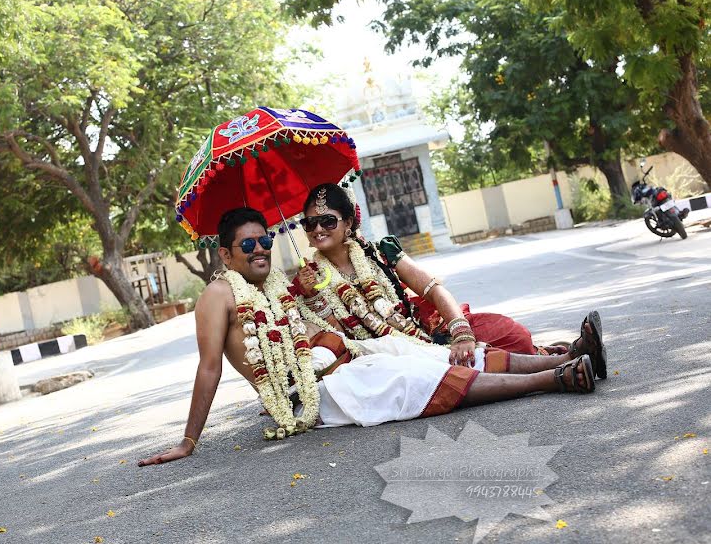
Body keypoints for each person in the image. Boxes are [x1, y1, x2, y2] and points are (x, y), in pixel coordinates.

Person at [138, 207, 606, 466]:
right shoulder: (218, 295)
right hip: (311, 396)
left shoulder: (280, 285)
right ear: (226, 252)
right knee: (415, 382)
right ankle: (558, 378)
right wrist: (188, 441)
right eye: (248, 244)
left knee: (430, 361)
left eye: (265, 240)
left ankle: (567, 360)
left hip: (342, 364)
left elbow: (324, 329)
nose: (261, 249)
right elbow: (209, 367)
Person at [293, 183, 591, 367]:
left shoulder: (380, 253)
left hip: (425, 329)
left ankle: (562, 355)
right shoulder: (306, 281)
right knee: (478, 361)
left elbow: (434, 290)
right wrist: (313, 297)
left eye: (327, 221)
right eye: (310, 223)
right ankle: (564, 361)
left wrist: (461, 334)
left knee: (509, 334)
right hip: (380, 357)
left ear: (348, 223)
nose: (318, 229)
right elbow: (334, 339)